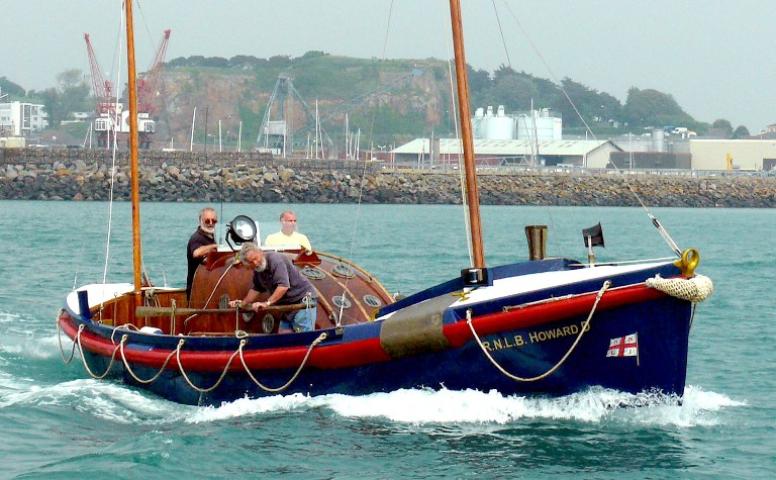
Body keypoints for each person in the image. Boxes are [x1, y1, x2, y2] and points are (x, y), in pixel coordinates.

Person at [228, 243, 317, 333]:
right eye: (251, 262)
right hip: (286, 307)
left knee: (304, 336)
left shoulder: (275, 260)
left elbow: (283, 286)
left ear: (261, 252)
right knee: (284, 338)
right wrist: (243, 303)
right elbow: (257, 288)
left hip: (302, 301)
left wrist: (267, 303)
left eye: (256, 258)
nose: (255, 263)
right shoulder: (258, 270)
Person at [186, 207, 219, 302]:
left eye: (214, 221)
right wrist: (214, 247)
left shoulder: (215, 237)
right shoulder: (196, 238)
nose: (211, 223)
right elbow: (196, 253)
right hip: (197, 290)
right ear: (200, 221)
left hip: (212, 287)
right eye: (207, 221)